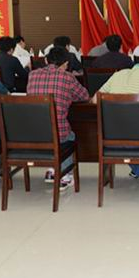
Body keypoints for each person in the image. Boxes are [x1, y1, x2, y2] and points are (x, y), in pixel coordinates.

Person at [27, 47, 89, 191]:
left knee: (51, 132)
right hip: (57, 134)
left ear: (46, 60)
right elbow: (84, 96)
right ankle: (64, 175)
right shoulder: (67, 77)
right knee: (68, 135)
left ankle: (52, 170)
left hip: (33, 133)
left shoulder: (32, 74)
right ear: (66, 63)